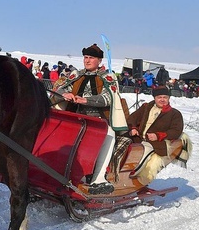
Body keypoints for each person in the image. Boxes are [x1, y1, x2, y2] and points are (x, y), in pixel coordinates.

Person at [53, 43, 128, 194]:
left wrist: (86, 100)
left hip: (99, 120)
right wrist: (64, 94)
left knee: (109, 135)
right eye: (85, 57)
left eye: (91, 58)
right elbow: (60, 89)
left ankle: (98, 178)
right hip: (75, 118)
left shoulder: (108, 77)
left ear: (99, 61)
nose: (87, 61)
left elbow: (108, 98)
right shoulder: (76, 75)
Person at [126, 86, 191, 187]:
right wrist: (133, 128)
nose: (162, 100)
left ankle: (133, 176)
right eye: (159, 97)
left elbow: (176, 131)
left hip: (156, 143)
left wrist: (158, 135)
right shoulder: (146, 107)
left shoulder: (174, 114)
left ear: (169, 98)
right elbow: (132, 118)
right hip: (138, 138)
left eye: (165, 97)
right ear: (154, 98)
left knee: (143, 153)